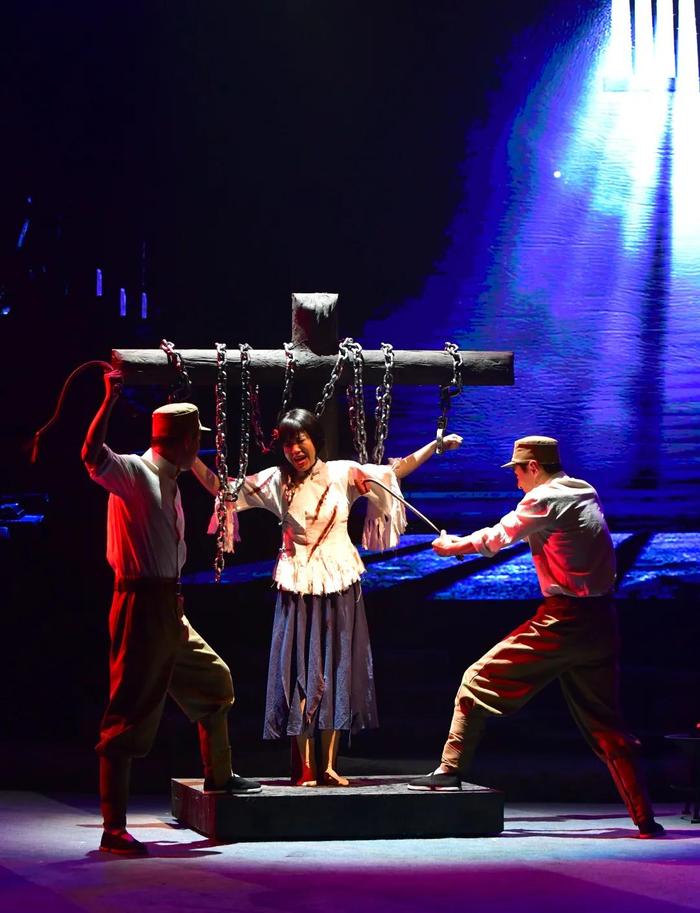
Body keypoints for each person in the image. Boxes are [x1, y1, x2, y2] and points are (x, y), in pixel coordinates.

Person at [408, 435, 665, 839]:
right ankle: (644, 817)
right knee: (606, 725)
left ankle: (449, 771)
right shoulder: (583, 490)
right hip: (602, 621)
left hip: (565, 620)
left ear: (532, 467)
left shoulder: (542, 498)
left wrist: (453, 547)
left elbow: (497, 537)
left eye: (517, 471)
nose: (515, 480)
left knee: (476, 680)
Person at [193, 407, 462, 787]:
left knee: (337, 669)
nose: (294, 449)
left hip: (340, 583)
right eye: (288, 443)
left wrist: (434, 446)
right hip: (298, 586)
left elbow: (395, 471)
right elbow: (224, 489)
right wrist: (189, 459)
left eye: (300, 440)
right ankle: (306, 765)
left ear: (314, 440)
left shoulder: (343, 472)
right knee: (301, 672)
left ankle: (330, 765)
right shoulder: (276, 481)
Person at [82, 370, 261, 857]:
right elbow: (92, 456)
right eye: (195, 440)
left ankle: (219, 775)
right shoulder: (136, 473)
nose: (199, 448)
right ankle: (113, 827)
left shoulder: (172, 483)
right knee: (128, 713)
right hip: (140, 605)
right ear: (182, 442)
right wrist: (108, 401)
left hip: (169, 606)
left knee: (214, 681)